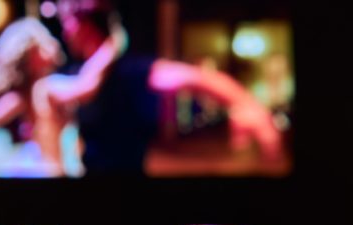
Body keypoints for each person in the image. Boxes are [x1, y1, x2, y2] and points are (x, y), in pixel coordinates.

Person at [54, 0, 284, 176]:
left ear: (85, 23)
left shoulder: (128, 71)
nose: (65, 32)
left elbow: (194, 78)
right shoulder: (80, 73)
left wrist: (245, 102)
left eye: (68, 23)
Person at [0, 16, 125, 177]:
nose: (53, 44)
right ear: (33, 55)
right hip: (57, 170)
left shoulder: (26, 94)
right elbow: (86, 85)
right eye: (43, 43)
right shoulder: (48, 87)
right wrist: (111, 46)